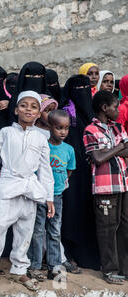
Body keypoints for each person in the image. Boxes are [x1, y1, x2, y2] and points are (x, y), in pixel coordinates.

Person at [0, 90, 54, 292]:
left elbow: (45, 170)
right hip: (7, 186)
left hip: (30, 190)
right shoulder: (5, 133)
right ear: (15, 110)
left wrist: (49, 197)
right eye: (24, 105)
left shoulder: (42, 138)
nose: (28, 109)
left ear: (39, 112)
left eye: (34, 106)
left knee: (25, 231)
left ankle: (19, 269)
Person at [83, 90, 128, 284]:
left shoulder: (118, 127)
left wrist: (109, 151)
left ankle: (125, 268)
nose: (118, 110)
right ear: (104, 108)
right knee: (107, 228)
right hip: (104, 187)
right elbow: (98, 158)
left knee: (125, 226)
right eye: (115, 106)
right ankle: (110, 270)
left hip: (124, 184)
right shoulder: (90, 131)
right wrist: (118, 148)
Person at [27, 110, 76, 281]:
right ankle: (34, 265)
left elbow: (69, 169)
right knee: (37, 230)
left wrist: (61, 184)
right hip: (40, 195)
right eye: (59, 128)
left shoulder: (69, 150)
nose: (63, 132)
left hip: (57, 197)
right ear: (49, 127)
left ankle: (54, 267)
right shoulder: (43, 146)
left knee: (54, 231)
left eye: (66, 128)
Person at [60, 75, 100, 271]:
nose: (82, 92)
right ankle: (70, 253)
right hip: (71, 177)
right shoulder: (67, 116)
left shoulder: (92, 117)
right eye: (78, 88)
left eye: (86, 87)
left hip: (91, 175)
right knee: (71, 213)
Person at [7, 62, 48, 126]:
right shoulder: (16, 99)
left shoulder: (48, 99)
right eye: (32, 76)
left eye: (40, 76)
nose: (37, 79)